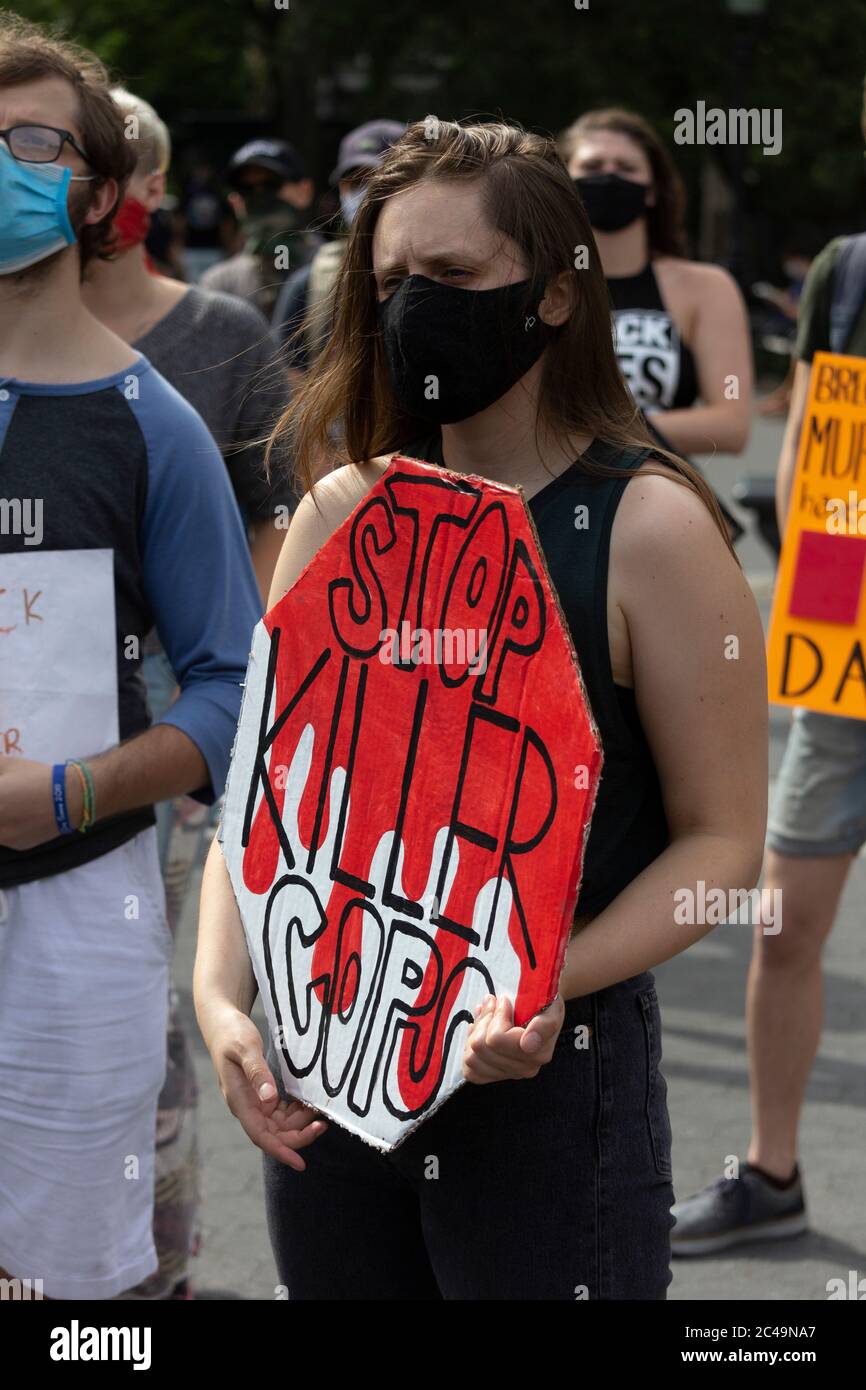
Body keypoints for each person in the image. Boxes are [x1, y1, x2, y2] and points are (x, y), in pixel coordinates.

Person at [194, 117, 768, 1301]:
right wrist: (218, 995)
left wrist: (552, 977)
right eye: (393, 280)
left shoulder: (647, 528)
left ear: (555, 295)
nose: (413, 307)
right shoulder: (342, 509)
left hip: (547, 1095)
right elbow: (264, 796)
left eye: (451, 278)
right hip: (328, 1078)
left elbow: (723, 839)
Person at [0, 13, 261, 1299]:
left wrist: (63, 793)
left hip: (73, 908)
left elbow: (232, 688)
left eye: (30, 140)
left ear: (96, 191)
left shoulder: (151, 425)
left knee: (69, 1281)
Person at [80, 85, 294, 1301]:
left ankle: (151, 1263)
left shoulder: (218, 332)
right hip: (45, 705)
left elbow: (272, 529)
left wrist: (244, 693)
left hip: (174, 716)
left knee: (145, 996)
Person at [670, 85, 866, 1257]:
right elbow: (807, 436)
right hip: (842, 657)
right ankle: (771, 1173)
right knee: (783, 927)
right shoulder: (845, 270)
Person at [561, 108, 752, 463]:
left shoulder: (706, 288)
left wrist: (593, 430)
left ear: (651, 192)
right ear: (565, 185)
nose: (609, 177)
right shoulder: (535, 282)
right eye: (593, 166)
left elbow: (731, 424)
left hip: (661, 490)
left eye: (626, 168)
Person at [272, 120, 405, 373]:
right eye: (353, 183)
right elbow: (291, 388)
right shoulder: (310, 283)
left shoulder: (439, 275)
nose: (364, 192)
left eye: (377, 179)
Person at [200, 137, 320, 317]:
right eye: (246, 188)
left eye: (270, 184)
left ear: (304, 191)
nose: (259, 196)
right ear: (235, 201)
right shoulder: (219, 284)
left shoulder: (336, 269)